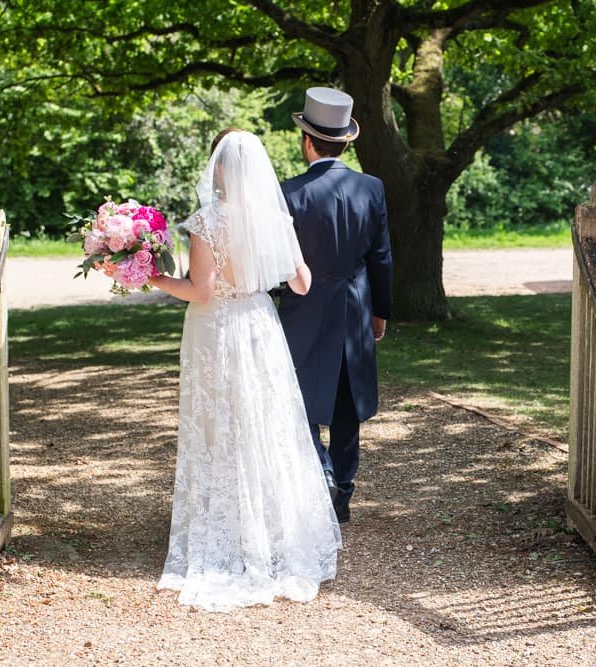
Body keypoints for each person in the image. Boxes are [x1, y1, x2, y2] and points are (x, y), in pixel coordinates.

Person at [145, 129, 341, 611]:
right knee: (265, 423)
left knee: (221, 424)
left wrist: (153, 277)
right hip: (259, 324)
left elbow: (201, 290)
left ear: (219, 167)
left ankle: (229, 529)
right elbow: (302, 283)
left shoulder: (207, 220)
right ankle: (273, 530)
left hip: (216, 328)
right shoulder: (274, 217)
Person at [278, 87, 393, 525]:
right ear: (345, 142)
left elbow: (278, 262)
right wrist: (380, 312)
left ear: (308, 141)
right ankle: (342, 491)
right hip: (355, 308)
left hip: (302, 309)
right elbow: (381, 257)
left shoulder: (288, 193)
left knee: (299, 397)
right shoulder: (372, 188)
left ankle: (321, 471)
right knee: (347, 402)